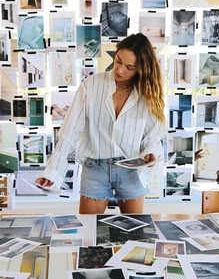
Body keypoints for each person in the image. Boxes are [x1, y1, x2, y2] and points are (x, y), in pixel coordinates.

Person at [36, 33, 165, 214]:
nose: (120, 70)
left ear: (141, 69)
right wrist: (53, 171)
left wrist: (150, 153)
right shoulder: (91, 85)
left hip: (131, 171)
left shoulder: (147, 94)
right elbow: (70, 131)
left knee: (135, 234)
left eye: (130, 67)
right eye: (118, 61)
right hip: (95, 169)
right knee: (89, 235)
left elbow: (152, 137)